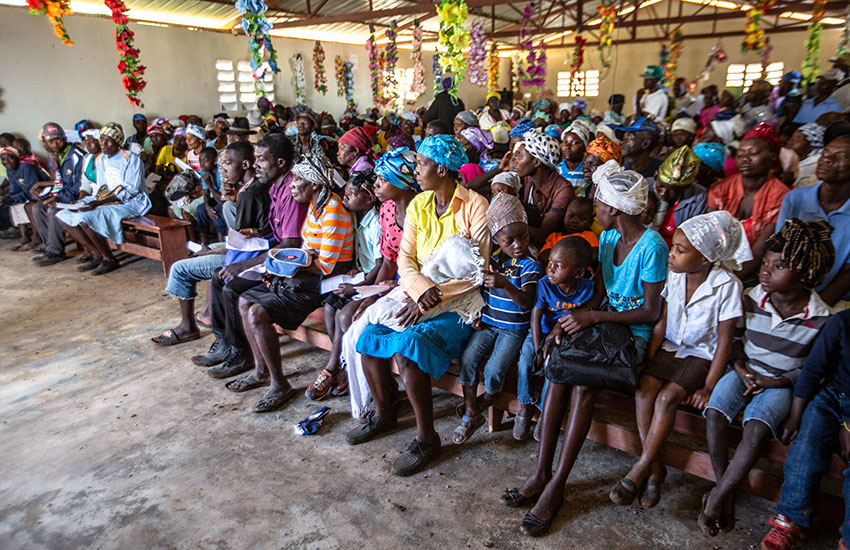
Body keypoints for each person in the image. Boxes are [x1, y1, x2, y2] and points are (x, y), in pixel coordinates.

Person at [504, 162, 667, 536]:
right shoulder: (608, 238)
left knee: (583, 383)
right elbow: (598, 292)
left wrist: (592, 319)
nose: (595, 210)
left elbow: (650, 310)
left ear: (616, 210)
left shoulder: (652, 246)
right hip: (603, 321)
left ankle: (558, 484)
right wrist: (571, 320)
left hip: (632, 334)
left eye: (600, 204)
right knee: (559, 368)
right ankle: (541, 472)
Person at [346, 135, 489, 477]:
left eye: (422, 164)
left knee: (409, 348)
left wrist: (434, 295)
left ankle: (427, 438)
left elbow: (478, 270)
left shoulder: (474, 205)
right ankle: (384, 413)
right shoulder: (420, 204)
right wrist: (421, 290)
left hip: (461, 302)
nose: (417, 170)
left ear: (442, 168)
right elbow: (405, 260)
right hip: (418, 292)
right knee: (369, 337)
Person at [700, 219, 835, 538]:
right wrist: (740, 364)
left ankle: (719, 495)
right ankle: (724, 488)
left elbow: (814, 369)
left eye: (779, 266)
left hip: (779, 382)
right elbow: (734, 338)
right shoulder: (750, 297)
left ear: (803, 274)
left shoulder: (820, 317)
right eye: (765, 263)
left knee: (758, 427)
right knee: (716, 412)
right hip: (745, 371)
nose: (765, 270)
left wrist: (780, 381)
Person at [609, 211, 749, 509]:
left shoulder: (727, 286)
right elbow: (661, 323)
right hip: (671, 348)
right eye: (673, 247)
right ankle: (656, 467)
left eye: (680, 251)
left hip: (701, 356)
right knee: (644, 390)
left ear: (705, 259)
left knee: (666, 399)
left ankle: (640, 468)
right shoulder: (675, 275)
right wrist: (646, 358)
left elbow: (724, 341)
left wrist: (709, 387)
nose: (671, 255)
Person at [225, 154, 354, 412]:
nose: (293, 184)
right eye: (293, 179)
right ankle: (261, 371)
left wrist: (283, 269)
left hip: (321, 284)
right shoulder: (316, 207)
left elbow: (323, 266)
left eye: (300, 180)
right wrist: (278, 269)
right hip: (303, 277)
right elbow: (307, 252)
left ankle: (279, 384)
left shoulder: (333, 212)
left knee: (257, 313)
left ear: (315, 185)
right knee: (244, 300)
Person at [193, 134, 307, 378]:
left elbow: (290, 244)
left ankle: (239, 352)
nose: (256, 165)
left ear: (280, 163)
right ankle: (224, 342)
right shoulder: (275, 188)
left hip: (288, 261)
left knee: (232, 287)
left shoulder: (290, 191)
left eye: (261, 160)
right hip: (272, 249)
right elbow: (277, 232)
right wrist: (258, 232)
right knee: (217, 276)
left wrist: (243, 264)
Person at [151, 142, 260, 346]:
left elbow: (248, 243)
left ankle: (189, 327)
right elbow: (238, 239)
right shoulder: (240, 196)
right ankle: (197, 322)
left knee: (181, 269)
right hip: (236, 254)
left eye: (228, 163)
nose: (224, 169)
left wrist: (218, 252)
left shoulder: (252, 194)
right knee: (196, 261)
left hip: (244, 260)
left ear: (245, 165)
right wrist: (211, 249)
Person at [758, 308, 850, 550]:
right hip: (833, 396)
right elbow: (813, 370)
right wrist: (795, 416)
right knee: (806, 446)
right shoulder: (842, 322)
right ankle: (792, 518)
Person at [455, 193, 541, 443]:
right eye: (509, 240)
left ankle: (490, 395)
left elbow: (528, 301)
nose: (518, 244)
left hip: (513, 329)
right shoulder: (492, 261)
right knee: (468, 359)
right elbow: (482, 291)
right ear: (496, 239)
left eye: (523, 236)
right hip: (490, 323)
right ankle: (471, 413)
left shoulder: (530, 265)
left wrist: (505, 284)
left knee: (494, 369)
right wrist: (478, 313)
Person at [342, 148, 419, 418]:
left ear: (401, 181)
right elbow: (388, 261)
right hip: (394, 284)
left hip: (418, 289)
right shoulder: (387, 209)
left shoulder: (423, 212)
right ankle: (378, 398)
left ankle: (382, 402)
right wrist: (371, 295)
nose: (376, 185)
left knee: (370, 331)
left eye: (382, 179)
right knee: (352, 319)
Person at [306, 169, 382, 401]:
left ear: (369, 198)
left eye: (351, 194)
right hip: (359, 276)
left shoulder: (376, 223)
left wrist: (359, 285)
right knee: (329, 307)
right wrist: (355, 271)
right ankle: (342, 367)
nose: (345, 198)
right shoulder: (357, 217)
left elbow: (380, 263)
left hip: (373, 281)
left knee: (343, 316)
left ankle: (334, 368)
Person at [55, 123, 151, 276]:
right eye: (101, 140)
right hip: (107, 200)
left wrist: (99, 203)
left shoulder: (131, 159)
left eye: (108, 140)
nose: (103, 144)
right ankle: (96, 254)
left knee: (87, 219)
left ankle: (109, 258)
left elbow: (131, 190)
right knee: (63, 216)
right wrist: (84, 201)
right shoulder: (102, 161)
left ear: (118, 141)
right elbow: (101, 188)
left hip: (130, 202)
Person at [708, 122, 789, 281]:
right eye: (740, 154)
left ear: (772, 155)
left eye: (753, 153)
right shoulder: (720, 189)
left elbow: (759, 252)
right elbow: (709, 237)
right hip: (713, 265)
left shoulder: (781, 196)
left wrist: (726, 283)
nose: (745, 159)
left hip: (755, 273)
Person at [776, 134, 850, 305]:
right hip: (790, 290)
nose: (826, 160)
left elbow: (848, 274)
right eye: (825, 153)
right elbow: (781, 250)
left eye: (840, 156)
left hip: (835, 298)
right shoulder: (795, 199)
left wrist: (816, 309)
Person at [31, 122, 86, 266]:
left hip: (78, 197)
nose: (55, 144)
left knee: (54, 210)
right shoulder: (55, 156)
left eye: (59, 140)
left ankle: (55, 252)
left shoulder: (76, 156)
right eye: (51, 141)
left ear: (65, 139)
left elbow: (79, 186)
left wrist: (58, 198)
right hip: (64, 195)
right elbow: (58, 182)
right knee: (38, 207)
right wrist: (48, 195)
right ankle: (50, 246)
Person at [514, 130, 575, 247]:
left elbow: (544, 236)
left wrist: (511, 224)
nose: (516, 160)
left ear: (537, 162)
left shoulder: (563, 190)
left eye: (520, 156)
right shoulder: (526, 179)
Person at [652, 146, 707, 247]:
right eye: (661, 186)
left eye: (672, 191)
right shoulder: (644, 187)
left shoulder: (697, 197)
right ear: (655, 175)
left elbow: (692, 238)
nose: (663, 193)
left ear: (685, 188)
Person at [0, 145, 44, 250]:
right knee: (13, 204)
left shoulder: (25, 167)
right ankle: (25, 237)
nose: (7, 162)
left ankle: (37, 238)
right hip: (28, 194)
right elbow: (15, 190)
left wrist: (10, 199)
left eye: (10, 158)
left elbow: (31, 191)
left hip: (41, 193)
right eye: (3, 160)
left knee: (25, 205)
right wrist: (6, 199)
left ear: (17, 157)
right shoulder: (10, 170)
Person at [537, 197, 599, 264]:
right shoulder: (553, 237)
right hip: (552, 273)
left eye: (582, 219)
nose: (575, 221)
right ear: (564, 216)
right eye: (571, 216)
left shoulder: (589, 236)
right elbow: (543, 256)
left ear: (590, 222)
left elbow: (594, 255)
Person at [615, 117, 663, 185]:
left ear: (645, 144)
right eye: (624, 138)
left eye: (629, 137)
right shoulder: (621, 171)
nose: (622, 142)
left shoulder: (662, 172)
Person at [782, 123, 825, 189]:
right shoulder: (793, 158)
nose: (791, 142)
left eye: (798, 139)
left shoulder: (811, 164)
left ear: (811, 146)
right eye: (792, 138)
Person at [557, 120, 593, 196]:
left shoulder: (587, 171)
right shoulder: (557, 170)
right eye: (565, 142)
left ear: (584, 146)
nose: (567, 147)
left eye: (574, 143)